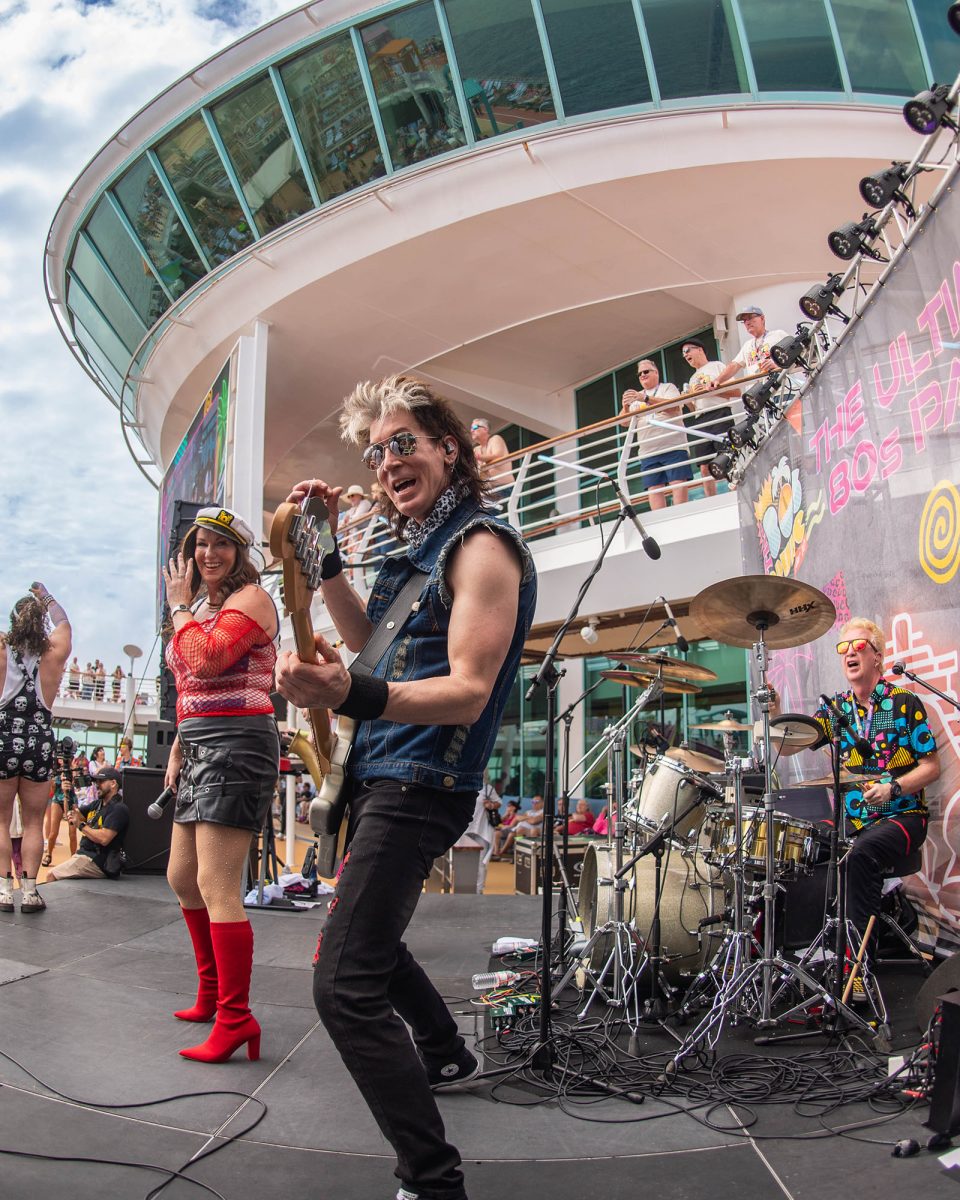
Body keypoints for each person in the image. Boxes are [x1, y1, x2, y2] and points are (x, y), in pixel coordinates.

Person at [275, 374, 536, 1200]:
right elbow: (372, 644)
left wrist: (347, 692)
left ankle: (433, 1180)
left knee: (343, 983)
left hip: (420, 782)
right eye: (375, 453)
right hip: (382, 771)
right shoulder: (419, 548)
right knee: (369, 941)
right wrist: (325, 560)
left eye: (401, 444)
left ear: (447, 449)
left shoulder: (481, 547)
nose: (387, 463)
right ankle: (446, 1051)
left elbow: (468, 690)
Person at [161, 505, 281, 1063]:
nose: (209, 554)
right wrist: (179, 747)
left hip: (238, 742)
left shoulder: (250, 599)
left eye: (222, 544)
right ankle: (212, 996)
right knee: (183, 878)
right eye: (201, 544)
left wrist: (178, 607)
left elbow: (206, 660)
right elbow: (189, 685)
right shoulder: (200, 609)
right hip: (200, 745)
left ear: (240, 553)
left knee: (217, 883)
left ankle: (237, 1018)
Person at [772, 617, 939, 967]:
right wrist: (774, 712)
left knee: (859, 854)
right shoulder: (837, 709)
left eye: (859, 646)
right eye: (843, 648)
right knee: (803, 846)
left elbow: (930, 767)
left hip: (904, 818)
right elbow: (788, 747)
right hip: (856, 823)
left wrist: (893, 788)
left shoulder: (904, 702)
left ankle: (857, 965)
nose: (849, 652)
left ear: (877, 656)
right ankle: (808, 952)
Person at [0, 585, 72, 912]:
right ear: (41, 622)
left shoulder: (3, 649)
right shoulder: (53, 652)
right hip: (39, 742)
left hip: (3, 737)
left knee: (1, 821)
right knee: (32, 822)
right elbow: (64, 623)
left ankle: (4, 891)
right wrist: (46, 596)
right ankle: (29, 893)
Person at [620, 360, 691, 509]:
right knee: (653, 489)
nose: (642, 375)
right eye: (639, 373)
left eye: (646, 371)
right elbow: (623, 422)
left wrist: (645, 399)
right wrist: (625, 407)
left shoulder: (668, 388)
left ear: (656, 373)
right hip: (648, 452)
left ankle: (681, 516)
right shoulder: (637, 396)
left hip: (673, 447)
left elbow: (674, 406)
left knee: (678, 484)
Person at [46, 767, 129, 881]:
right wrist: (66, 794)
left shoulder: (118, 808)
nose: (97, 785)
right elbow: (71, 814)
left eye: (101, 781)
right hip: (86, 856)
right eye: (96, 781)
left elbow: (104, 838)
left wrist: (81, 825)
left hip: (98, 860)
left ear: (113, 783)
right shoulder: (97, 804)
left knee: (51, 875)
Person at [680, 339, 736, 498]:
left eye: (687, 351)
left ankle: (735, 491)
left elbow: (736, 392)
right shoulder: (692, 379)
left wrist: (710, 391)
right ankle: (711, 499)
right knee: (704, 466)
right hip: (701, 419)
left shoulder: (717, 366)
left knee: (726, 456)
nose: (685, 355)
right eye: (683, 354)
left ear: (700, 350)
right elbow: (695, 409)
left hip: (719, 413)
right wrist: (688, 400)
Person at [709, 306, 789, 390]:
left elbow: (796, 356)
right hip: (758, 394)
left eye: (750, 318)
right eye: (744, 320)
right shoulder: (747, 345)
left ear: (762, 318)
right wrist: (717, 380)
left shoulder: (778, 335)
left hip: (783, 390)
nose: (747, 323)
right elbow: (734, 365)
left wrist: (778, 365)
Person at [463, 772, 502, 894]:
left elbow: (498, 802)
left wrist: (491, 805)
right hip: (465, 830)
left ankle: (478, 890)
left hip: (482, 830)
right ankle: (465, 888)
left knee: (480, 862)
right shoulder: (464, 786)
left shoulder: (487, 789)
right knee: (464, 861)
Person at [470, 418, 515, 498]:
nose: (472, 430)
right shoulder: (476, 449)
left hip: (504, 487)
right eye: (471, 428)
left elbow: (497, 455)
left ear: (485, 429)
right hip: (487, 491)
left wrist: (478, 457)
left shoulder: (495, 439)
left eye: (474, 427)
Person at [494, 794, 545, 858]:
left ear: (542, 803)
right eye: (533, 802)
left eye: (536, 802)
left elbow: (533, 821)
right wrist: (529, 818)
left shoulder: (543, 812)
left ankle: (501, 853)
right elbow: (518, 818)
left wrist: (525, 818)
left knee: (515, 833)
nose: (534, 803)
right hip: (515, 828)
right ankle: (496, 852)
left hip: (526, 830)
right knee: (497, 833)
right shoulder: (528, 811)